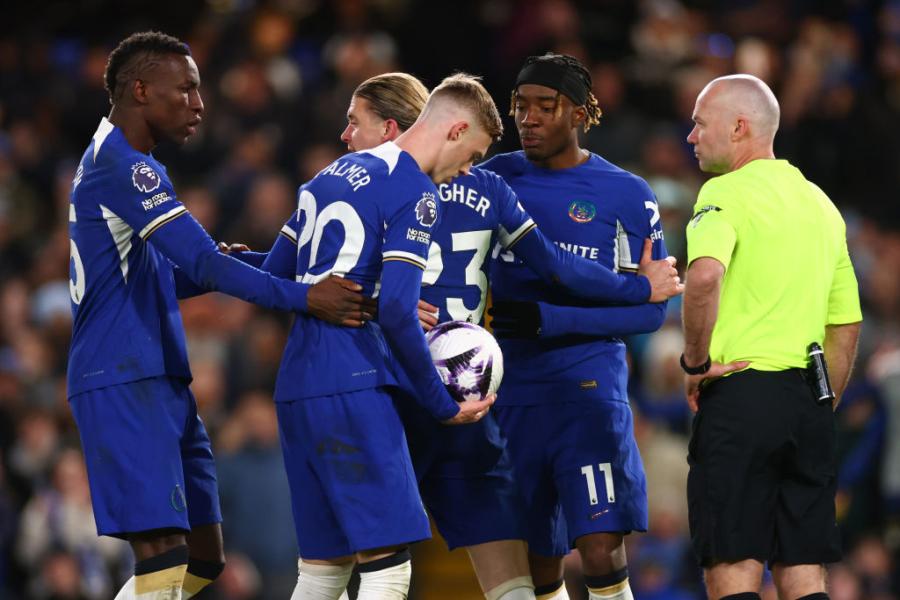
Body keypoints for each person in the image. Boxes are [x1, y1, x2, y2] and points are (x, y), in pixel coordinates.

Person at [286, 72, 678, 600]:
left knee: (346, 570)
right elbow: (556, 265)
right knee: (507, 573)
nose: (346, 137)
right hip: (463, 390)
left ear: (393, 128)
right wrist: (638, 289)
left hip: (388, 389)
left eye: (354, 123)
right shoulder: (490, 183)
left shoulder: (363, 187)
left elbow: (302, 276)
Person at [66, 31, 370, 600]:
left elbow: (173, 274)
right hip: (122, 376)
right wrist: (306, 296)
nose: (199, 104)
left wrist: (272, 269)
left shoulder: (120, 163)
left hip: (155, 374)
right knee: (163, 553)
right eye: (185, 90)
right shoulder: (126, 168)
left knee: (204, 558)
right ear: (140, 89)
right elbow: (203, 263)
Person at [257, 73, 501, 600]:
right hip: (355, 384)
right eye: (473, 154)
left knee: (322, 572)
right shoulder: (416, 192)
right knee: (387, 569)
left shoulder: (327, 175)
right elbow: (395, 310)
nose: (468, 169)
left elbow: (276, 279)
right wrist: (441, 403)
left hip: (297, 386)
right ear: (456, 130)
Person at [483, 53, 673, 600]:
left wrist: (550, 319)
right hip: (512, 386)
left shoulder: (626, 193)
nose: (529, 118)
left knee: (598, 543)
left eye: (546, 106)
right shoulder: (498, 179)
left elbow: (650, 310)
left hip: (588, 384)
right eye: (521, 106)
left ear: (580, 112)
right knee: (537, 550)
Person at [680, 74, 862, 600]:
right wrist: (823, 402)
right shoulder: (822, 205)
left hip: (740, 397)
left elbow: (704, 276)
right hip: (808, 402)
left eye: (699, 123)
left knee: (733, 567)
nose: (691, 136)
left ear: (739, 128)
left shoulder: (724, 191)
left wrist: (694, 365)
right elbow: (846, 322)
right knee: (803, 572)